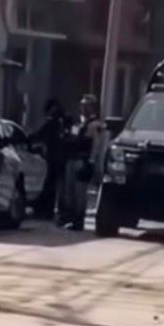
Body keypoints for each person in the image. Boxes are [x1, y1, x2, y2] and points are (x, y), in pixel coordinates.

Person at [57, 95, 106, 230]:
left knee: (79, 193)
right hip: (72, 159)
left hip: (82, 160)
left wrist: (91, 162)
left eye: (87, 105)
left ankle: (78, 221)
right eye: (82, 105)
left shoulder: (95, 124)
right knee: (69, 192)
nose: (83, 108)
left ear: (93, 107)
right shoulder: (80, 123)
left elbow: (96, 145)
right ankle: (70, 218)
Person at [28, 99, 69, 219]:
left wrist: (28, 139)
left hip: (54, 158)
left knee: (50, 185)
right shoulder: (64, 121)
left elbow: (40, 135)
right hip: (62, 158)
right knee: (56, 186)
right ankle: (53, 211)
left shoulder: (53, 122)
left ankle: (46, 211)